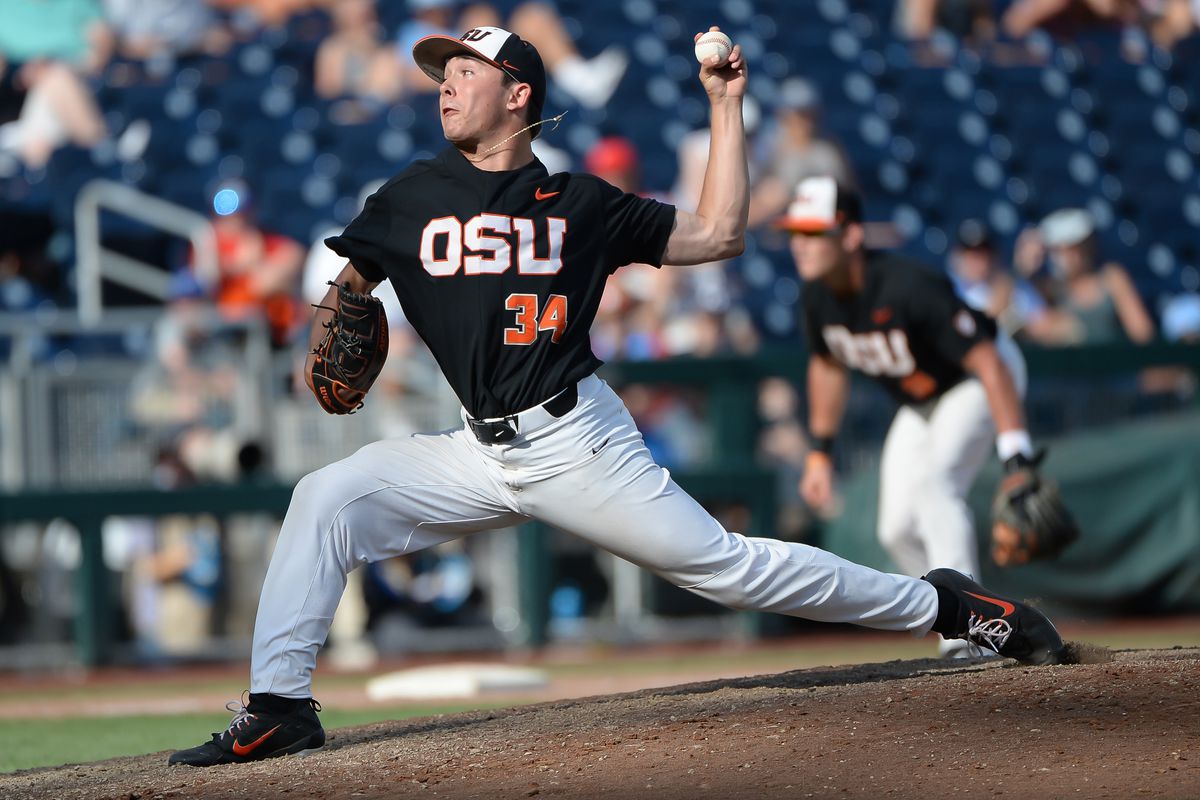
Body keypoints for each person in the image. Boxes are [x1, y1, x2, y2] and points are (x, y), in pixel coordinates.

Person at [168, 26, 1066, 768]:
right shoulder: (407, 196)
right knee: (323, 498)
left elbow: (718, 234)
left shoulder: (578, 204)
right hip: (474, 451)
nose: (444, 85)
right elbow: (348, 290)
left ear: (518, 94)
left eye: (464, 71)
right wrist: (350, 304)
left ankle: (953, 608)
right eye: (441, 74)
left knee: (726, 567)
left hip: (575, 441)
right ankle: (280, 705)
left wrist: (724, 106)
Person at [784, 176, 1041, 659]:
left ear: (852, 235)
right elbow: (827, 364)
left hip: (976, 380)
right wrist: (819, 452)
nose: (801, 244)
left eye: (814, 232)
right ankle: (955, 612)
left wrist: (1017, 452)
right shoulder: (816, 297)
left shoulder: (907, 285)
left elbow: (988, 361)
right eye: (796, 233)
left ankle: (973, 633)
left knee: (935, 488)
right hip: (922, 400)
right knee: (896, 528)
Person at [1015, 208, 1155, 347]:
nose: (1065, 256)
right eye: (1057, 249)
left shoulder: (1112, 278)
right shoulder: (1047, 288)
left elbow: (1142, 335)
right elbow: (1010, 320)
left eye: (1072, 247)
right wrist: (1022, 271)